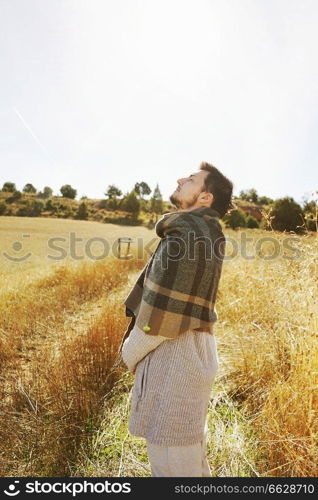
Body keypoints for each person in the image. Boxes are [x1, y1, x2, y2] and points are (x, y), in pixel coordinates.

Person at [120, 161, 234, 477]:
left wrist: (130, 352)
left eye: (192, 179)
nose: (181, 179)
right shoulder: (202, 230)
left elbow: (165, 317)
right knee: (189, 462)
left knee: (173, 466)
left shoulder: (189, 232)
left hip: (178, 358)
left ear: (205, 197)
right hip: (185, 353)